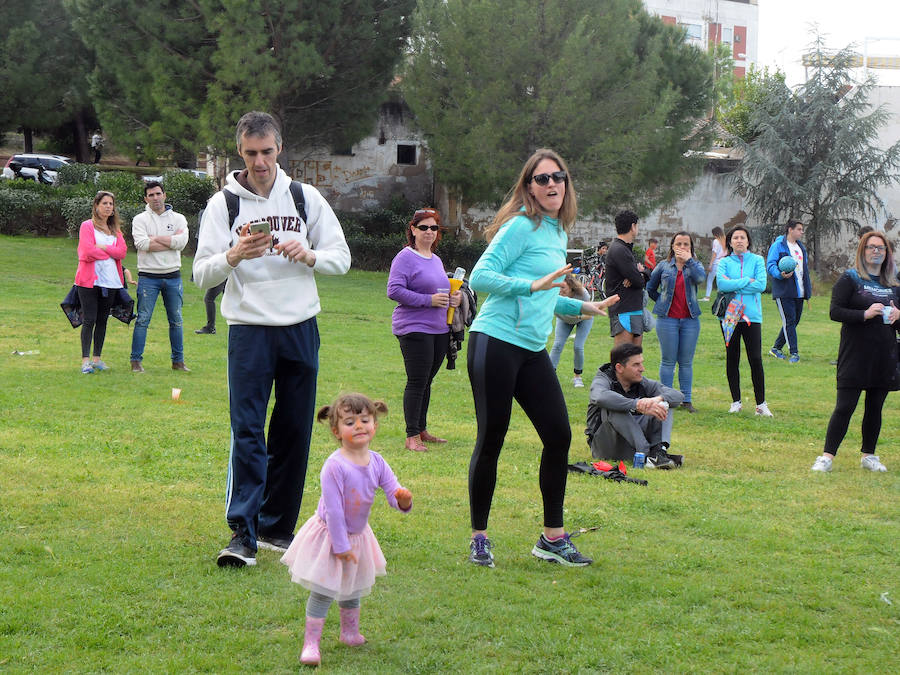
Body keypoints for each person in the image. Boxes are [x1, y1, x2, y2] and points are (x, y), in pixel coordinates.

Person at [193, 111, 351, 568]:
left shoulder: (304, 197)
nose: (260, 162)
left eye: (266, 152)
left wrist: (311, 254)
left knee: (295, 430)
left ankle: (277, 528)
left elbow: (341, 258)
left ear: (280, 149)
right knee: (248, 430)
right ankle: (242, 533)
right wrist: (233, 255)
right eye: (250, 153)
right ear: (239, 152)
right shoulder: (224, 204)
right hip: (249, 331)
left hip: (300, 327)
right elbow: (201, 274)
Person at [465, 148, 619, 569]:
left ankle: (552, 538)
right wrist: (530, 285)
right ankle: (480, 537)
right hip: (495, 341)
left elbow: (548, 297)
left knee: (558, 435)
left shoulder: (558, 233)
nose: (552, 184)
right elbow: (480, 277)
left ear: (567, 184)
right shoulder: (521, 225)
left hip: (532, 349)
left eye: (558, 177)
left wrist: (583, 307)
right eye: (542, 179)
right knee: (491, 437)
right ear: (529, 188)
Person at [280, 393, 412, 667]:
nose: (359, 426)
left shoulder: (377, 462)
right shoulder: (334, 466)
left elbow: (392, 490)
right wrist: (340, 546)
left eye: (365, 420)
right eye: (350, 422)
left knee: (354, 586)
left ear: (375, 424)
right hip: (330, 536)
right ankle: (311, 643)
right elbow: (334, 510)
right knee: (324, 589)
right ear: (336, 431)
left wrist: (402, 500)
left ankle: (349, 633)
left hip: (358, 536)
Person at [811, 232, 899, 473]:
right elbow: (835, 311)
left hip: (884, 356)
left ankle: (869, 456)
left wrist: (898, 315)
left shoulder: (894, 284)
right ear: (862, 251)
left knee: (875, 407)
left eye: (881, 248)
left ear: (887, 253)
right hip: (855, 355)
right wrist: (864, 314)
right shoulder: (850, 278)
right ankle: (826, 457)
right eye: (871, 247)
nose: (876, 251)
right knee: (845, 406)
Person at [387, 207, 460, 452]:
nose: (429, 232)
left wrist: (454, 298)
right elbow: (394, 290)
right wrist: (428, 301)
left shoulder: (436, 259)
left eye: (434, 227)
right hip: (414, 327)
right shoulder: (405, 257)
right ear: (413, 229)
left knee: (427, 380)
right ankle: (411, 436)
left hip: (439, 329)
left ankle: (421, 429)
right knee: (417, 381)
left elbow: (442, 291)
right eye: (424, 227)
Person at [586, 343, 684, 469]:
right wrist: (636, 404)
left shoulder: (641, 382)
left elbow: (677, 396)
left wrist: (657, 399)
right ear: (619, 368)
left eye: (641, 363)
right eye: (636, 365)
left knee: (663, 403)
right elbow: (600, 397)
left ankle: (659, 451)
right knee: (614, 407)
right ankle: (647, 454)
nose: (642, 368)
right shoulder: (602, 380)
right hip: (606, 446)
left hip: (632, 446)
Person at [129, 181, 190, 373]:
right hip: (148, 277)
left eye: (158, 194)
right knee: (143, 320)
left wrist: (155, 238)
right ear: (145, 199)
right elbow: (142, 244)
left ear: (164, 195)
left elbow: (182, 243)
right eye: (151, 195)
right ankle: (136, 361)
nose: (155, 198)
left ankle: (178, 362)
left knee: (176, 320)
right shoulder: (140, 219)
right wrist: (171, 241)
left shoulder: (179, 218)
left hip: (173, 276)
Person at [647, 232, 706, 413]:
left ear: (691, 247)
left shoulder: (695, 265)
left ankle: (686, 400)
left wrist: (689, 261)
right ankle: (666, 399)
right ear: (672, 246)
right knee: (668, 361)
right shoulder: (663, 266)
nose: (682, 247)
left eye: (686, 244)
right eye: (678, 244)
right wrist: (662, 302)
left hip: (690, 321)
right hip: (667, 320)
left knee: (686, 362)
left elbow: (700, 279)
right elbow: (651, 288)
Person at [717, 225, 772, 416]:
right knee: (732, 358)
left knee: (755, 358)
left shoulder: (757, 260)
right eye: (735, 238)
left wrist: (734, 285)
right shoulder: (724, 262)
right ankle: (736, 402)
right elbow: (722, 284)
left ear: (748, 241)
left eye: (742, 237)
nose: (739, 241)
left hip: (752, 316)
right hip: (730, 315)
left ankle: (761, 404)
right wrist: (747, 281)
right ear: (730, 242)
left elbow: (761, 285)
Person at [74, 191, 128, 374]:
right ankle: (85, 361)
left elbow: (122, 252)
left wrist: (104, 247)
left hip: (111, 281)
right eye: (104, 203)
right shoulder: (87, 226)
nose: (108, 207)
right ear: (96, 206)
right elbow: (87, 251)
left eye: (111, 204)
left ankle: (97, 359)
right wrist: (110, 253)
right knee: (89, 319)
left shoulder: (115, 230)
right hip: (89, 281)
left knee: (102, 320)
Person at [766, 219, 812, 363]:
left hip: (799, 291)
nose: (802, 232)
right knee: (789, 320)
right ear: (790, 230)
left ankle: (775, 348)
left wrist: (807, 290)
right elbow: (770, 265)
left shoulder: (801, 247)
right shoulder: (778, 245)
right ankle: (794, 353)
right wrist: (780, 274)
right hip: (784, 290)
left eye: (802, 229)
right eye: (799, 229)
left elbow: (804, 270)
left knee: (793, 321)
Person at [605, 209, 648, 347]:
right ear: (633, 226)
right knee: (622, 356)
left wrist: (640, 273)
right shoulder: (619, 250)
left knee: (635, 356)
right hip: (624, 310)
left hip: (632, 309)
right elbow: (639, 281)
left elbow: (640, 276)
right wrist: (638, 275)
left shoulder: (625, 248)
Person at [548, 274, 594, 388]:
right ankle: (549, 376)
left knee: (578, 346)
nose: (560, 290)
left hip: (583, 319)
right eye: (558, 287)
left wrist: (577, 316)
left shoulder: (582, 294)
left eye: (563, 287)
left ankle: (577, 377)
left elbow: (589, 314)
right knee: (557, 345)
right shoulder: (553, 295)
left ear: (571, 286)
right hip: (564, 320)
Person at [701, 226, 726, 301]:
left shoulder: (716, 241)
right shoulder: (725, 241)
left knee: (710, 280)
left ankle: (707, 297)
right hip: (723, 263)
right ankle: (720, 297)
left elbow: (714, 254)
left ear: (715, 234)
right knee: (720, 280)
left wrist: (710, 265)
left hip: (716, 263)